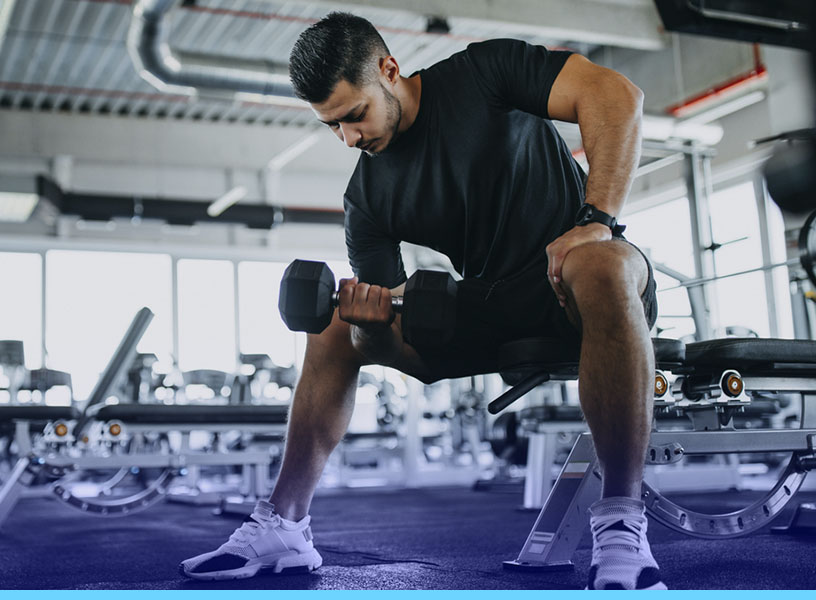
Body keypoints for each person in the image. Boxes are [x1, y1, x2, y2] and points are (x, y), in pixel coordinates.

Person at [180, 12, 664, 590]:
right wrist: (369, 324)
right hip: (491, 309)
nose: (350, 139)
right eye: (332, 126)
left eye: (354, 115)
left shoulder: (484, 73)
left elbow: (617, 94)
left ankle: (619, 524)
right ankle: (283, 524)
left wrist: (596, 221)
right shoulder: (366, 196)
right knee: (335, 325)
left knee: (599, 261)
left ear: (389, 69)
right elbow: (392, 321)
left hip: (582, 285)